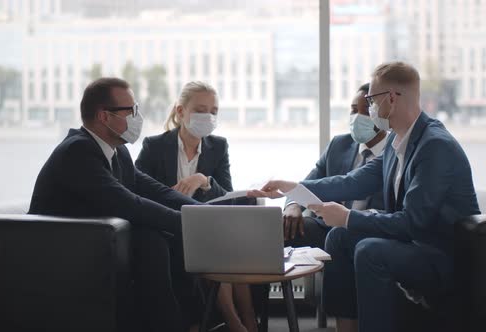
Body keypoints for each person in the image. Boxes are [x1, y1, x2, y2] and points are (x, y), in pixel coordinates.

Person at [249, 62, 480, 332]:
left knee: (370, 251)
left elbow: (412, 224)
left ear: (391, 99)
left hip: (440, 256)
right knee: (339, 237)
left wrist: (347, 217)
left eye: (371, 100)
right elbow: (350, 183)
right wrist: (291, 188)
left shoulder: (435, 147)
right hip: (414, 245)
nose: (370, 108)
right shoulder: (397, 144)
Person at [29, 77, 203, 332]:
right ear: (104, 116)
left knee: (168, 237)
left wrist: (204, 215)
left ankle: (192, 323)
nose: (137, 117)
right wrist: (190, 224)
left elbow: (155, 191)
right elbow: (128, 203)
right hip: (58, 253)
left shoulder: (116, 150)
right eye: (131, 110)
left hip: (97, 244)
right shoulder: (77, 152)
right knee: (152, 239)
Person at [136, 81, 258, 332]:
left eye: (214, 111)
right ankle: (236, 323)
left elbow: (228, 195)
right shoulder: (154, 146)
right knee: (218, 246)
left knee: (230, 243)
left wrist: (204, 180)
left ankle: (248, 320)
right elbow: (138, 189)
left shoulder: (218, 146)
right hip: (170, 226)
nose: (209, 116)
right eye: (201, 110)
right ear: (181, 112)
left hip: (209, 224)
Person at [283, 83, 388, 249]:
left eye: (366, 111)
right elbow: (309, 182)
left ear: (381, 115)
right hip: (327, 228)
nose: (357, 117)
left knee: (341, 239)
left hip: (369, 233)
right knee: (284, 228)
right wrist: (293, 205)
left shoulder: (394, 152)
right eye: (354, 110)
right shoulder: (338, 145)